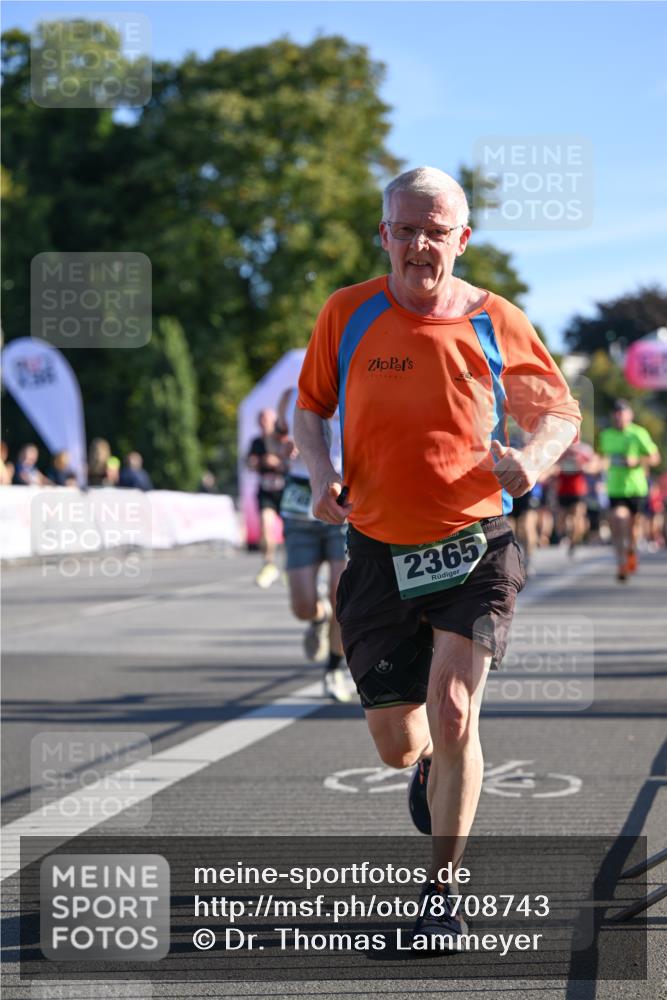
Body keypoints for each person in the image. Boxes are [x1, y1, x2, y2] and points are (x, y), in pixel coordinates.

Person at [294, 166, 581, 949]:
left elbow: (557, 410)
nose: (420, 245)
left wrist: (533, 461)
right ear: (383, 234)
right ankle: (425, 765)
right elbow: (309, 407)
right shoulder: (346, 312)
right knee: (397, 745)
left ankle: (441, 894)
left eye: (436, 230)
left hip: (474, 543)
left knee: (454, 710)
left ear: (462, 239)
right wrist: (319, 474)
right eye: (406, 229)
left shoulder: (495, 318)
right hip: (377, 549)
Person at [277, 386, 354, 702]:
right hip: (300, 506)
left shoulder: (355, 385)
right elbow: (273, 439)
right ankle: (317, 618)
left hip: (343, 499)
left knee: (341, 594)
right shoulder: (290, 395)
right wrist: (280, 447)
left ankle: (334, 668)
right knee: (302, 604)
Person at [598, 400, 660, 581]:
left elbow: (655, 458)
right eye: (616, 413)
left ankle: (631, 549)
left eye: (622, 413)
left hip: (636, 488)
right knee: (618, 521)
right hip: (615, 488)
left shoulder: (638, 433)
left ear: (629, 415)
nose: (619, 417)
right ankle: (621, 563)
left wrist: (637, 461)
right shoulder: (606, 435)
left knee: (633, 529)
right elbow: (602, 458)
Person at [246, 409, 288, 588]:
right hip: (266, 491)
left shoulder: (283, 441)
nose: (263, 422)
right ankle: (268, 564)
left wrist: (278, 463)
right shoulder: (256, 442)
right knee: (265, 525)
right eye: (261, 419)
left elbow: (294, 463)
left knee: (289, 531)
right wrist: (257, 462)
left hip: (284, 491)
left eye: (266, 419)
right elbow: (249, 463)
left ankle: (290, 567)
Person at [554, 441, 596, 556]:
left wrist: (583, 467)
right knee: (562, 518)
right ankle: (567, 536)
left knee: (577, 517)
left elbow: (596, 465)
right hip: (563, 490)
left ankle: (575, 541)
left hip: (578, 490)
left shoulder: (585, 450)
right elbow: (553, 466)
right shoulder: (559, 448)